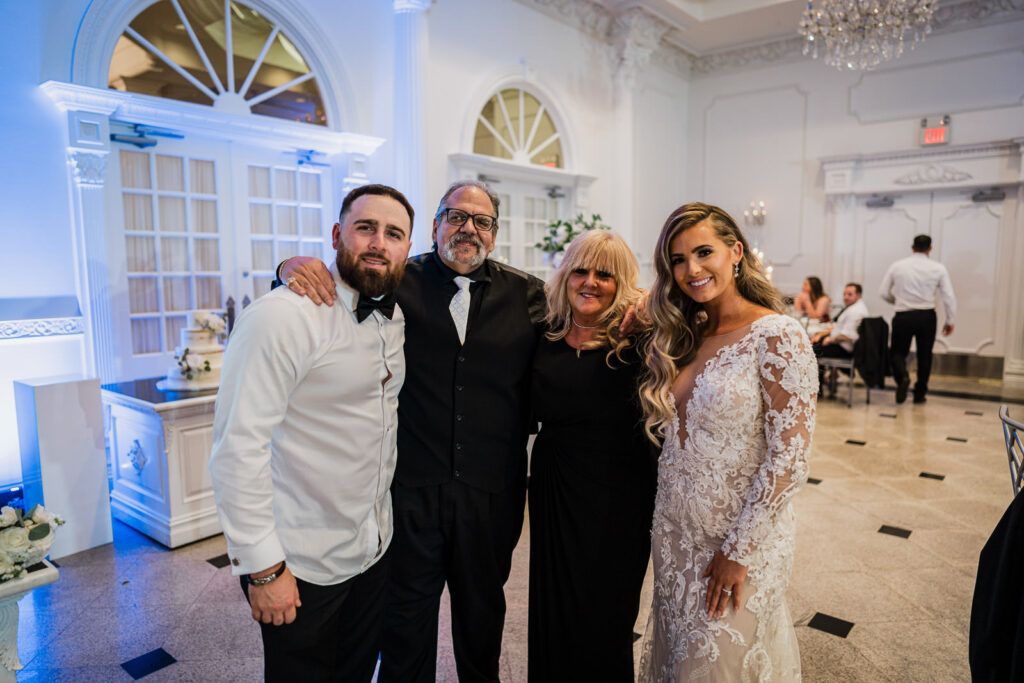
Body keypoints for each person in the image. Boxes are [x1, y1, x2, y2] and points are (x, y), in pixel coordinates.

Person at [278, 180, 546, 682]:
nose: (468, 228)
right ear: (436, 224)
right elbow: (329, 285)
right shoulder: (399, 277)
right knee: (403, 628)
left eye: (481, 221)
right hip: (409, 494)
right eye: (456, 216)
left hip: (492, 496)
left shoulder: (529, 295)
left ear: (494, 234)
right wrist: (286, 268)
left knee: (482, 625)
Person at [208, 184, 414, 681]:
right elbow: (238, 448)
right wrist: (263, 568)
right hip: (300, 563)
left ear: (409, 248)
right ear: (338, 234)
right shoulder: (281, 317)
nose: (377, 243)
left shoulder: (396, 313)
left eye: (393, 234)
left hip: (371, 550)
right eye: (365, 228)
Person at [637, 202, 817, 681]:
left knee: (719, 664)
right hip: (675, 536)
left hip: (740, 539)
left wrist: (738, 552)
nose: (691, 270)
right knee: (679, 661)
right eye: (677, 260)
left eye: (703, 252)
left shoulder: (778, 335)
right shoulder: (685, 331)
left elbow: (790, 458)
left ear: (735, 251)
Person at [528, 230, 657, 682]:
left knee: (607, 615)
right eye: (580, 270)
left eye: (605, 274)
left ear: (622, 282)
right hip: (554, 485)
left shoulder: (641, 340)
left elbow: (695, 306)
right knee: (553, 605)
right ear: (565, 274)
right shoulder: (543, 332)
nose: (590, 282)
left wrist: (649, 302)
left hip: (620, 496)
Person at [878, 233, 956, 404]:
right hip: (926, 316)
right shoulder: (938, 268)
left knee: (897, 352)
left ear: (912, 247)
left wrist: (896, 301)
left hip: (903, 314)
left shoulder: (897, 266)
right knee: (925, 355)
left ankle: (903, 378)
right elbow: (948, 296)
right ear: (930, 248)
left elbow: (883, 292)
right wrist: (950, 320)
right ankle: (920, 393)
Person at [810, 282, 869, 393]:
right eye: (844, 294)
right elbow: (837, 327)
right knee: (815, 344)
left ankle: (816, 389)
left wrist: (828, 340)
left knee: (811, 351)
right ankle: (819, 386)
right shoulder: (853, 307)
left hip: (844, 349)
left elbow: (847, 336)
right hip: (841, 345)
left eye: (849, 294)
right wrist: (822, 335)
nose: (845, 297)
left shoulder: (855, 311)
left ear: (859, 295)